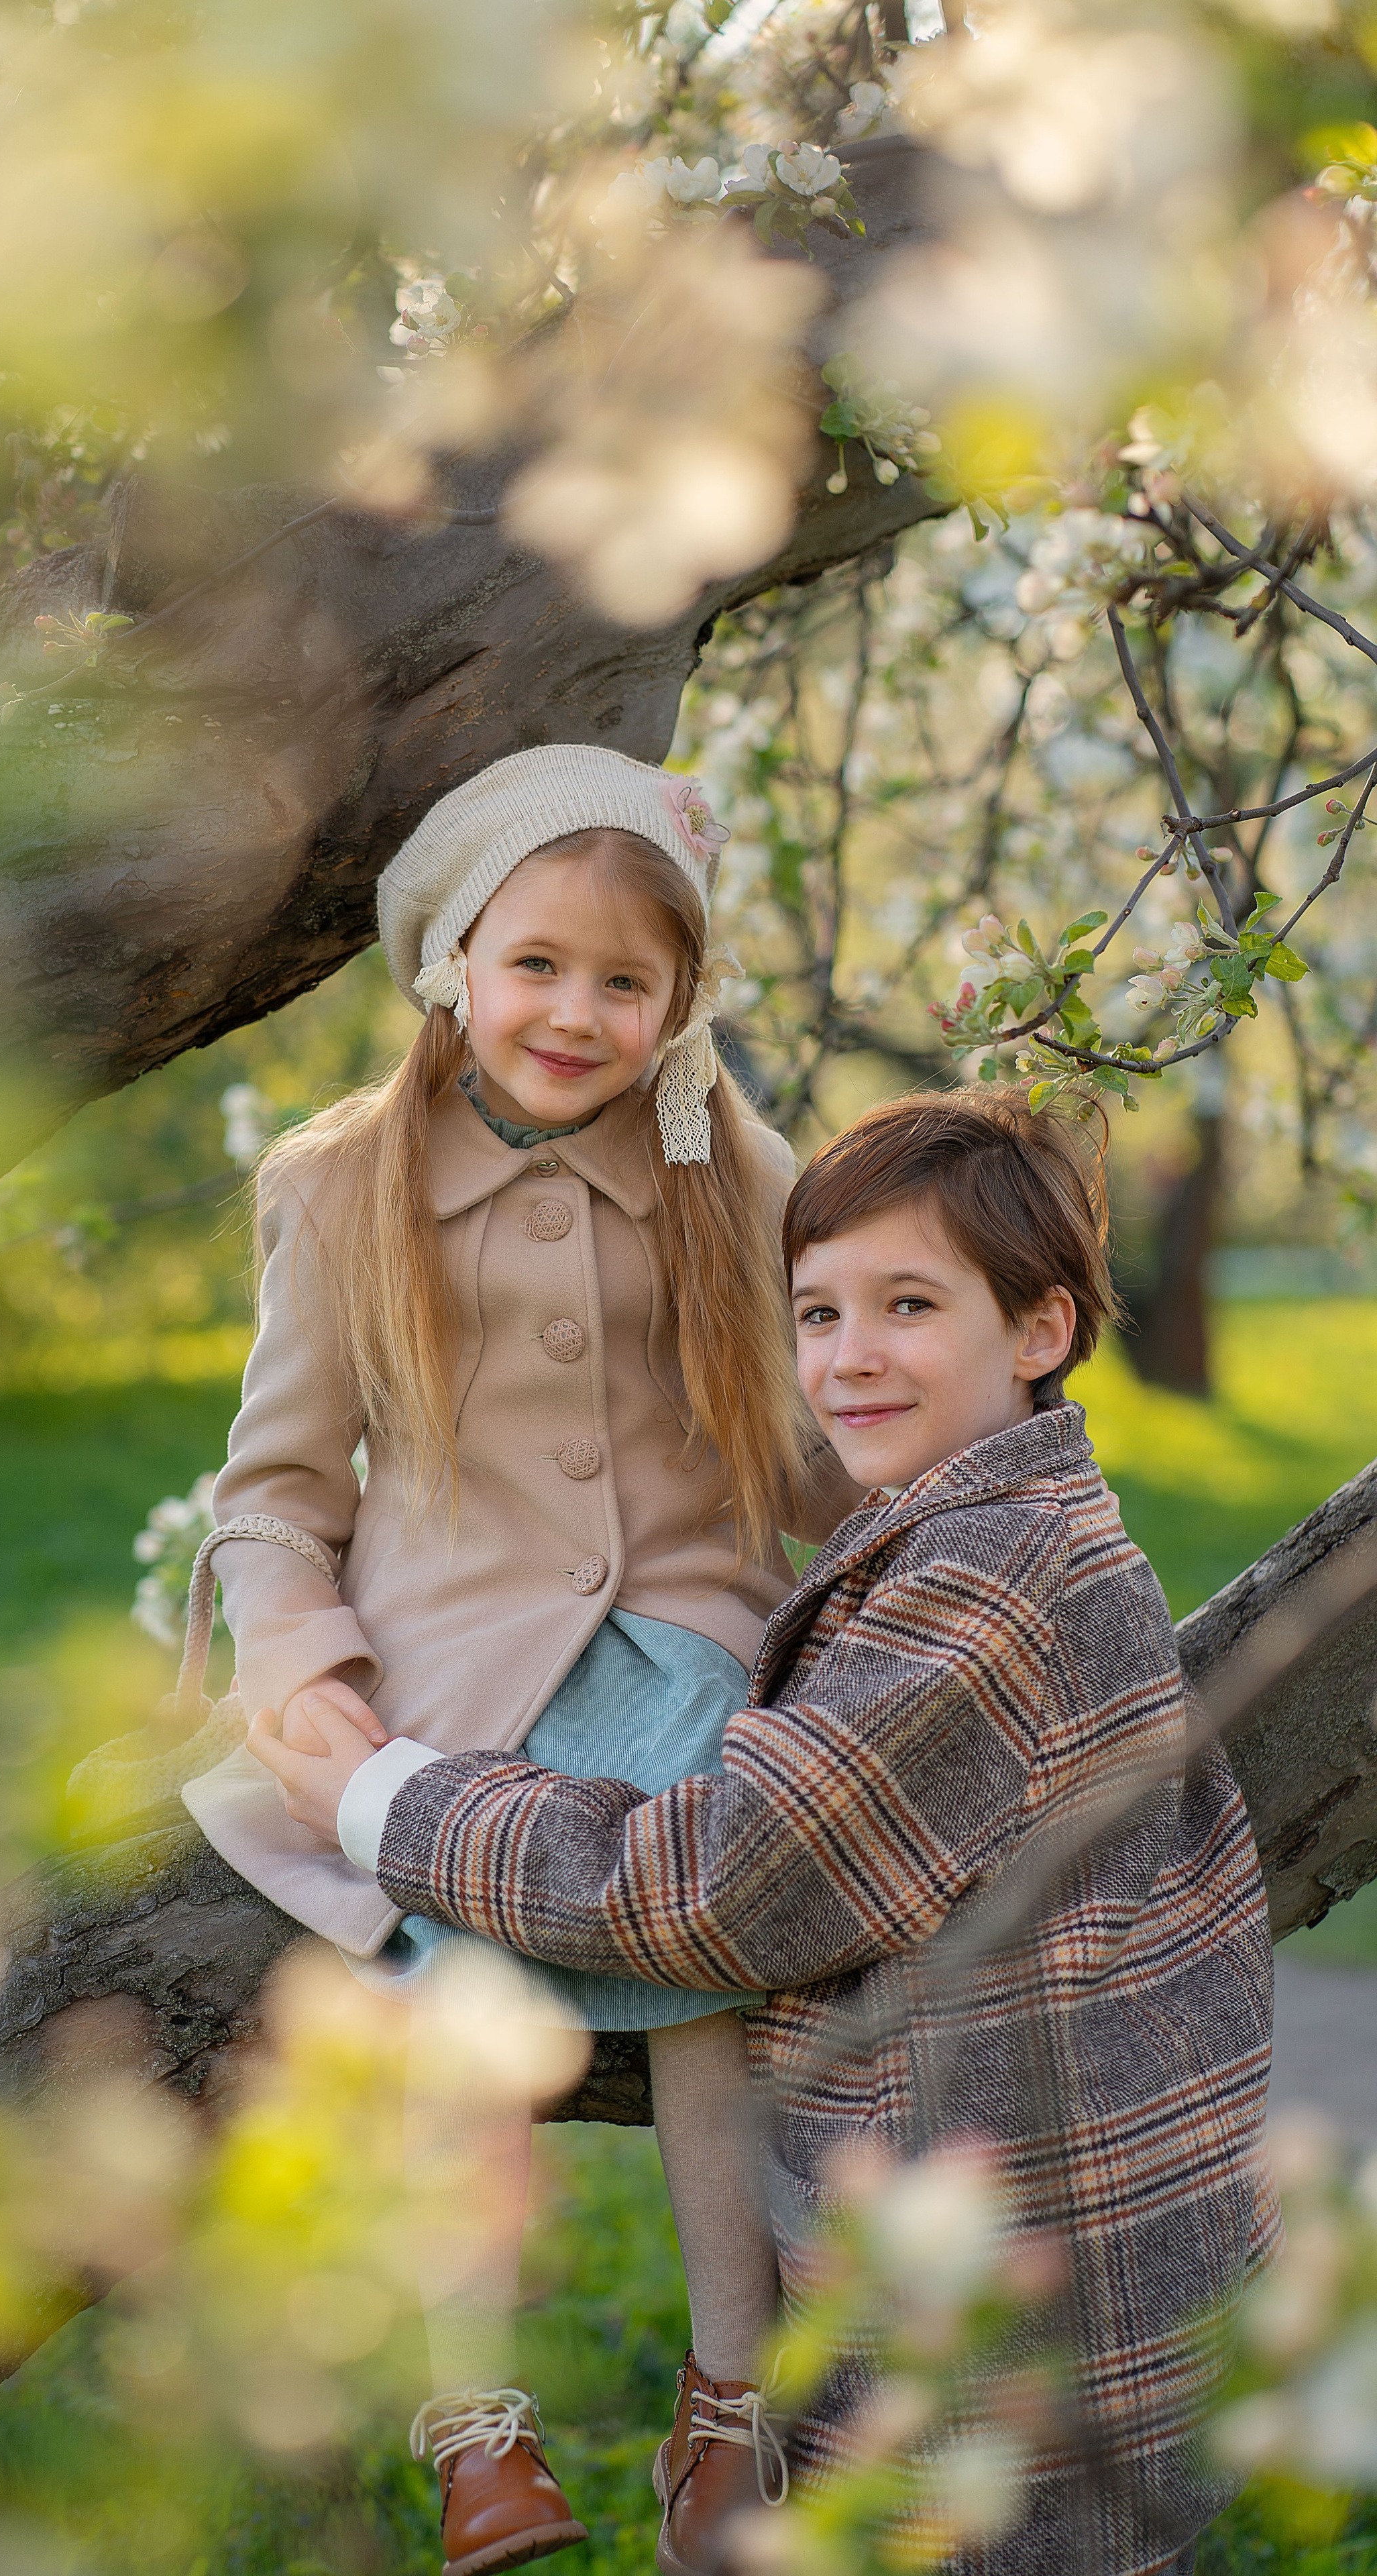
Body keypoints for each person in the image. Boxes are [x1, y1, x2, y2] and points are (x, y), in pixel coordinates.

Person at [247, 1088, 1278, 2576]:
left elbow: (712, 1887)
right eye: (816, 1313)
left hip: (999, 2386)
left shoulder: (989, 1585)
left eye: (908, 1306)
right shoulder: (994, 1528)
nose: (848, 1357)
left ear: (1038, 1329)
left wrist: (383, 1798)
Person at [180, 745, 852, 2576]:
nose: (574, 1012)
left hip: (686, 1654)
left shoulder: (730, 1170)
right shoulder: (344, 1185)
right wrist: (301, 1665)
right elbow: (275, 1492)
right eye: (535, 963)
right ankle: (475, 2426)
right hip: (452, 1673)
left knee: (709, 1969)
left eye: (625, 980)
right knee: (445, 2000)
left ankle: (733, 2415)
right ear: (453, 961)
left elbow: (807, 1440)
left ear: (680, 1000)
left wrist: (935, 1463)